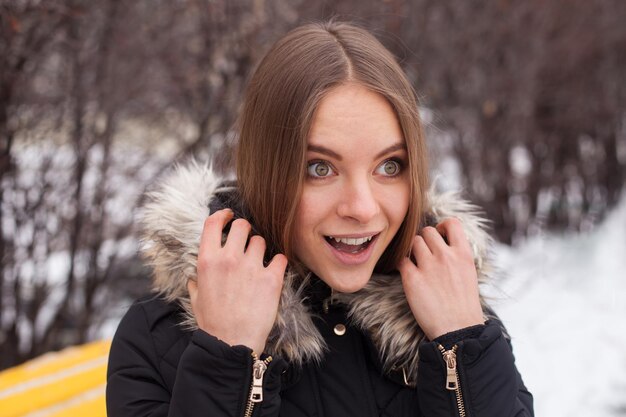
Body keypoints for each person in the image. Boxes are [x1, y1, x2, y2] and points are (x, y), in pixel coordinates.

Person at [106, 21, 534, 417]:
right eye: (319, 168)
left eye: (388, 166)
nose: (363, 208)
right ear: (267, 169)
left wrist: (461, 344)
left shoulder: (454, 311)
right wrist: (228, 360)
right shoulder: (156, 340)